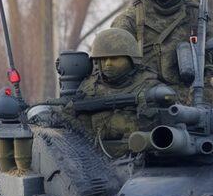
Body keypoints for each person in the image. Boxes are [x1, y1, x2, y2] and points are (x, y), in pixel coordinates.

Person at [66, 28, 164, 157]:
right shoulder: (89, 87)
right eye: (103, 58)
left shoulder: (151, 88)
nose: (108, 64)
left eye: (114, 58)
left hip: (140, 161)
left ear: (131, 59)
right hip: (94, 161)